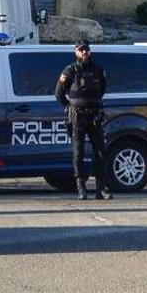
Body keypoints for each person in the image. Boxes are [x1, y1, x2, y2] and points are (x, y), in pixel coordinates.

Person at [55, 40, 111, 200]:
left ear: (90, 51)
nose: (84, 52)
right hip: (77, 117)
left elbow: (102, 89)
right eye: (81, 50)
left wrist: (92, 104)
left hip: (94, 116)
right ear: (76, 52)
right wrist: (70, 106)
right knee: (78, 153)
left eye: (86, 49)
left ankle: (101, 188)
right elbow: (59, 94)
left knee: (100, 152)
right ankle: (81, 188)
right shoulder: (70, 71)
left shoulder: (98, 70)